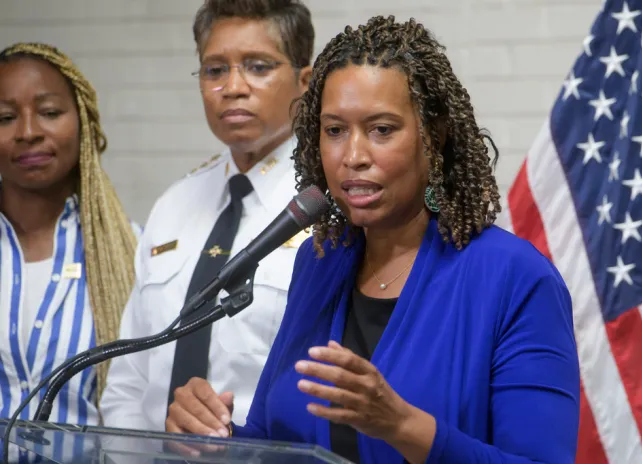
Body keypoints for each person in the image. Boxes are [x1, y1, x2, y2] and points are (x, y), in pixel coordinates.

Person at [165, 15, 582, 464]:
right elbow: (275, 435)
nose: (353, 156)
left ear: (434, 136)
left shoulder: (516, 278)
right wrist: (216, 436)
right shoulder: (320, 260)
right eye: (334, 131)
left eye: (382, 129)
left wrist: (402, 426)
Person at [100, 0, 314, 434]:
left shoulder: (327, 204)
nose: (233, 87)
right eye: (215, 70)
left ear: (304, 82)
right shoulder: (174, 204)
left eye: (257, 66)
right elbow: (128, 382)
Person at [0, 43, 139, 461]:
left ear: (83, 120)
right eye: (5, 118)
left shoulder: (131, 254)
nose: (28, 131)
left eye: (49, 112)